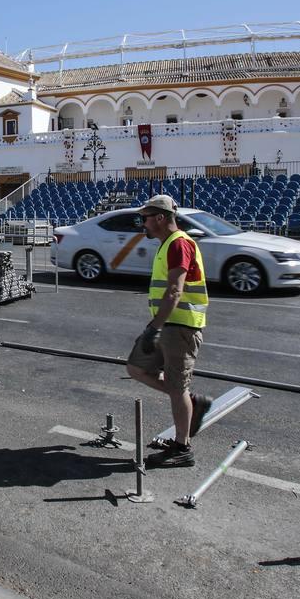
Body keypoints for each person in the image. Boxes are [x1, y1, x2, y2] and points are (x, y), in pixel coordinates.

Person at [125, 194, 212, 469]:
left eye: (146, 218)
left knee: (177, 387)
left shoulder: (179, 244)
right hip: (167, 325)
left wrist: (154, 328)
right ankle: (190, 404)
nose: (143, 224)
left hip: (179, 327)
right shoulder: (167, 244)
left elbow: (175, 290)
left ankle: (182, 447)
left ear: (161, 218)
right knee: (136, 368)